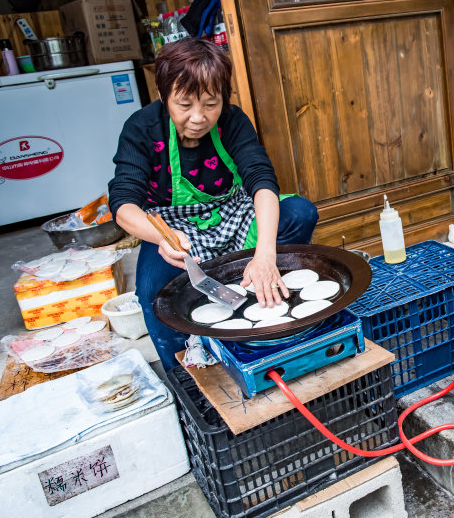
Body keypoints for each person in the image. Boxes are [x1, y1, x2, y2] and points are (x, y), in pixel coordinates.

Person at [108, 38, 318, 369]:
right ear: (164, 97)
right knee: (152, 288)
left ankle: (266, 300)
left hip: (233, 211)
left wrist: (265, 255)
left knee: (300, 213)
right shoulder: (142, 128)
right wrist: (162, 238)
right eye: (184, 104)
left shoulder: (233, 121)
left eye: (210, 104)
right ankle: (186, 377)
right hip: (174, 228)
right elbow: (123, 203)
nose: (198, 117)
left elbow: (261, 182)